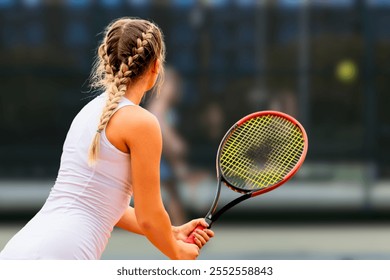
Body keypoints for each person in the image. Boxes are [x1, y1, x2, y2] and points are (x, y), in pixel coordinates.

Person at [0, 17, 214, 260]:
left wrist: (172, 232)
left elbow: (110, 207)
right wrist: (177, 252)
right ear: (155, 67)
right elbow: (149, 215)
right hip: (64, 252)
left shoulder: (88, 112)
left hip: (22, 248)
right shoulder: (141, 122)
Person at [146, 67, 188, 226]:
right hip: (159, 159)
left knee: (173, 196)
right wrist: (175, 144)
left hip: (165, 159)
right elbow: (162, 131)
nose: (177, 90)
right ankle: (178, 233)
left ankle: (178, 231)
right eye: (174, 85)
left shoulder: (168, 108)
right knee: (172, 197)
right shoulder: (159, 106)